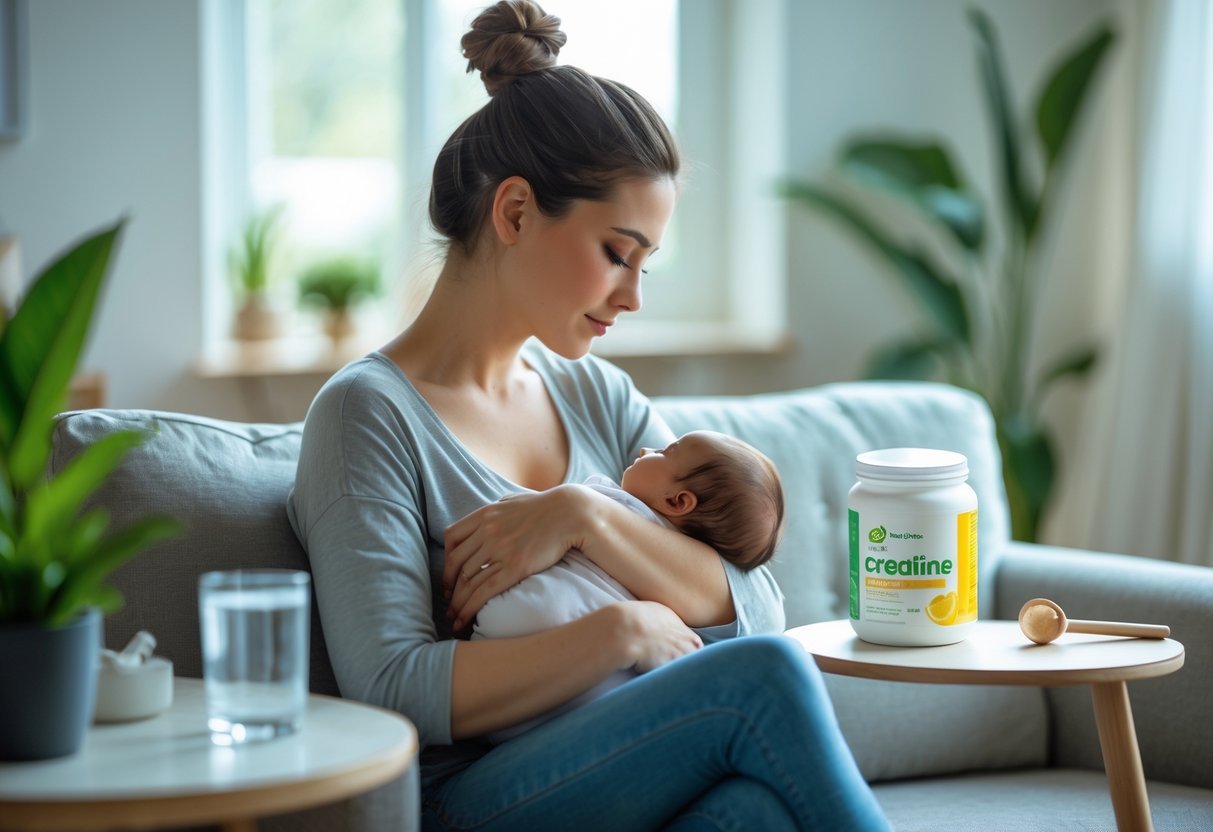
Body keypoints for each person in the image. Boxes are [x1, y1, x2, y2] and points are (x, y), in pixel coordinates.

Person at [287, 1, 891, 828]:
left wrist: (582, 517)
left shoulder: (595, 396)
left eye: (646, 264)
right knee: (766, 680)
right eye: (617, 253)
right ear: (514, 212)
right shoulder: (366, 417)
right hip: (473, 795)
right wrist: (620, 633)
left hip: (626, 764)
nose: (633, 296)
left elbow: (751, 603)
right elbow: (392, 688)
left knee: (753, 812)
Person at [474, 430, 785, 741]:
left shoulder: (610, 499)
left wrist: (575, 509)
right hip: (590, 701)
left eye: (665, 452)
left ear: (677, 501)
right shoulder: (676, 574)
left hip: (507, 646)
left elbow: (762, 607)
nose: (645, 449)